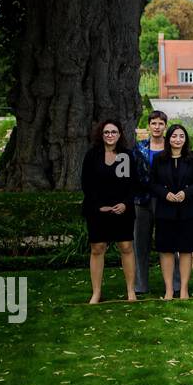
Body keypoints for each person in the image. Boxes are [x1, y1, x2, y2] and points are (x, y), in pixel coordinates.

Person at [80, 119, 138, 303]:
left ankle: (131, 291)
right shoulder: (92, 156)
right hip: (98, 209)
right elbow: (86, 183)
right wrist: (98, 205)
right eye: (107, 132)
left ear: (120, 134)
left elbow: (133, 184)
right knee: (97, 248)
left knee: (126, 247)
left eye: (114, 132)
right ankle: (96, 292)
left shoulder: (126, 156)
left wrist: (125, 204)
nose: (110, 135)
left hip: (122, 209)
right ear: (101, 135)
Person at [149, 123, 193, 300]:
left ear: (185, 139)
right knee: (166, 250)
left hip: (188, 211)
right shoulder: (159, 159)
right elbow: (152, 183)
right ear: (168, 138)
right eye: (174, 136)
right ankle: (169, 290)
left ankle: (184, 290)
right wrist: (165, 194)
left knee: (186, 249)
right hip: (165, 211)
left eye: (181, 136)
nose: (177, 139)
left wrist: (185, 193)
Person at [132, 109, 168, 295]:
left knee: (168, 243)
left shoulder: (171, 147)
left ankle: (173, 284)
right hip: (142, 201)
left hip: (165, 201)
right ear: (148, 126)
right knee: (140, 244)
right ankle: (140, 285)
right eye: (153, 123)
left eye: (160, 123)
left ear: (165, 126)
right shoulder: (139, 148)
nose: (157, 126)